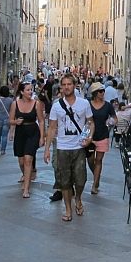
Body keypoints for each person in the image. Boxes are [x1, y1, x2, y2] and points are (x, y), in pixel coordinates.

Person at [44, 74, 93, 221]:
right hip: (62, 148)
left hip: (79, 147)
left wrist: (89, 138)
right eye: (63, 85)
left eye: (69, 84)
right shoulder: (57, 106)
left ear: (74, 85)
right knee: (64, 181)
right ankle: (68, 209)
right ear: (61, 87)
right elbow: (52, 128)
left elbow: (90, 123)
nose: (66, 87)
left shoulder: (84, 104)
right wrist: (47, 149)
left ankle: (77, 198)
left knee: (80, 180)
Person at [12, 81, 45, 199]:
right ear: (21, 92)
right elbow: (10, 120)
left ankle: (26, 188)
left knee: (28, 159)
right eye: (28, 90)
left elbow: (41, 120)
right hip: (20, 132)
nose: (30, 92)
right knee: (21, 161)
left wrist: (42, 137)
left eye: (31, 90)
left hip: (32, 132)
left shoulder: (36, 104)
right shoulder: (15, 104)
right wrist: (15, 122)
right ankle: (26, 175)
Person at [87, 82, 116, 194]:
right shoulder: (88, 104)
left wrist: (110, 123)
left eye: (103, 91)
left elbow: (114, 117)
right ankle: (97, 176)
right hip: (90, 136)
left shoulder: (108, 105)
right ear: (95, 93)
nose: (102, 93)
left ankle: (94, 185)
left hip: (103, 135)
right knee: (90, 160)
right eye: (100, 91)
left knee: (98, 160)